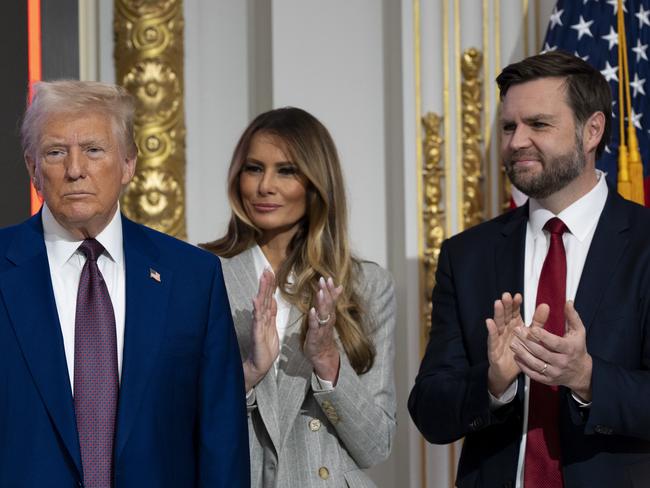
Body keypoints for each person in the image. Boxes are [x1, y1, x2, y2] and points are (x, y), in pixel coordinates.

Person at [408, 51, 650, 487]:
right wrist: (493, 381)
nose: (517, 141)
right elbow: (429, 410)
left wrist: (588, 379)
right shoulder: (468, 255)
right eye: (508, 126)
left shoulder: (645, 244)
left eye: (538, 124)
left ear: (592, 130)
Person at [0, 80, 249, 487]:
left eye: (94, 150)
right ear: (33, 169)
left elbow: (221, 442)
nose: (75, 169)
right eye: (56, 152)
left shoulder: (193, 278)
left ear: (129, 164)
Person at [201, 107, 396, 487]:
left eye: (286, 171)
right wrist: (248, 375)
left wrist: (326, 360)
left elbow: (376, 447)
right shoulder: (201, 275)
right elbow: (175, 419)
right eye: (253, 168)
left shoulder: (368, 285)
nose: (264, 186)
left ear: (316, 183)